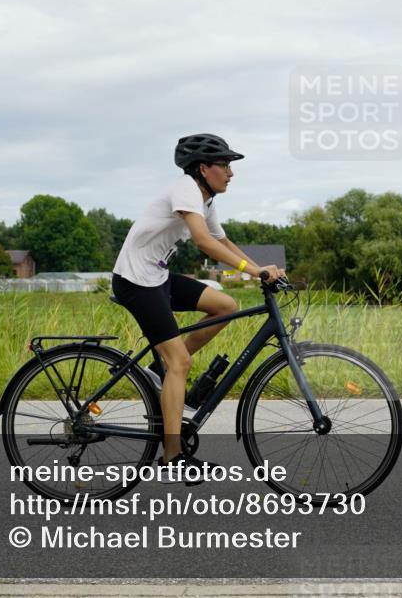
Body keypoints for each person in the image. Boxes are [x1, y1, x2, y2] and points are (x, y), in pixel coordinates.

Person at [111, 133, 285, 484]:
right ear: (204, 168)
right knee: (181, 362)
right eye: (225, 165)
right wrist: (252, 271)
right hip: (135, 281)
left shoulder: (205, 199)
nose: (231, 173)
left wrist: (261, 270)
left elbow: (221, 239)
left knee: (224, 305)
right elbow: (203, 242)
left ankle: (160, 370)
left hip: (156, 277)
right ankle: (173, 457)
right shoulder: (186, 189)